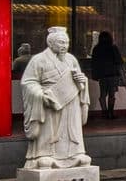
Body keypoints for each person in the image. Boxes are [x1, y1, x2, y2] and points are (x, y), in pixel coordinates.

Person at [20, 27, 92, 170]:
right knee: (50, 128)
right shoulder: (38, 60)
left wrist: (82, 81)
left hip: (71, 100)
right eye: (61, 42)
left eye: (66, 43)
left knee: (71, 128)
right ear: (51, 43)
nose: (64, 46)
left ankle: (74, 154)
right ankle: (43, 154)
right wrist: (40, 94)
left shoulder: (71, 60)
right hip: (50, 101)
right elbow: (28, 83)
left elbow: (81, 80)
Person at [88, 31, 125, 120]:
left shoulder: (96, 48)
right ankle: (111, 113)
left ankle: (104, 112)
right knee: (112, 94)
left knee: (103, 94)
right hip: (113, 74)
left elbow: (94, 63)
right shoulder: (113, 47)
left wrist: (95, 75)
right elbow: (119, 61)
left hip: (102, 75)